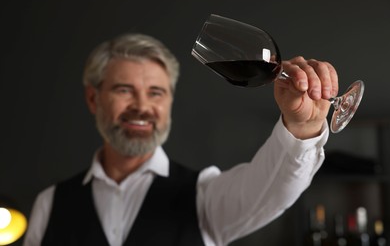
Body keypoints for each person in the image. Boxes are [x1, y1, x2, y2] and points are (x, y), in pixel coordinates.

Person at [23, 33, 337, 246]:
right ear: (93, 99)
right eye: (124, 90)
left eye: (156, 92)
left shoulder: (205, 195)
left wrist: (301, 128)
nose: (142, 106)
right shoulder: (49, 204)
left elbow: (269, 190)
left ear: (169, 102)